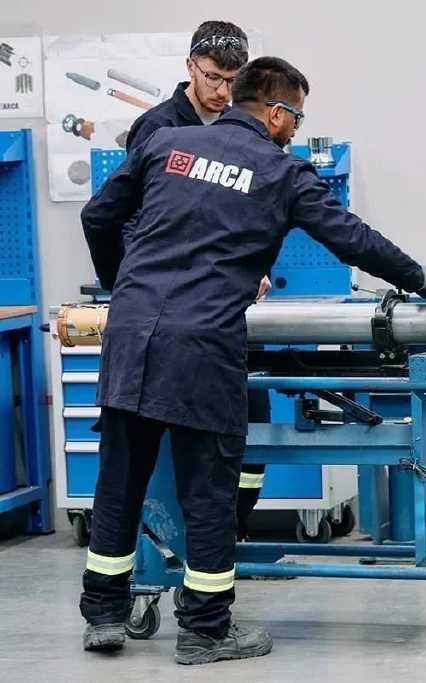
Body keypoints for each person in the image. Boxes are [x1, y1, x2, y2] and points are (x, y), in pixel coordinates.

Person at [79, 55, 426, 664]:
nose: (295, 129)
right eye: (296, 117)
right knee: (208, 492)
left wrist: (126, 284)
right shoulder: (281, 172)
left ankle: (104, 618)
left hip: (130, 337)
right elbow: (351, 238)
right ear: (274, 113)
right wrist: (418, 278)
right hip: (201, 347)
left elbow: (98, 215)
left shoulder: (166, 144)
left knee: (119, 481)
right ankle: (205, 630)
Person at [121, 21, 275, 539]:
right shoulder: (157, 128)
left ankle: (234, 527)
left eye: (233, 81)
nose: (223, 91)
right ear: (190, 66)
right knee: (163, 438)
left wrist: (255, 264)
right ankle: (180, 542)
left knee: (254, 407)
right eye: (213, 78)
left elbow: (248, 212)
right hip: (168, 306)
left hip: (222, 306)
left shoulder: (241, 127)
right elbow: (131, 218)